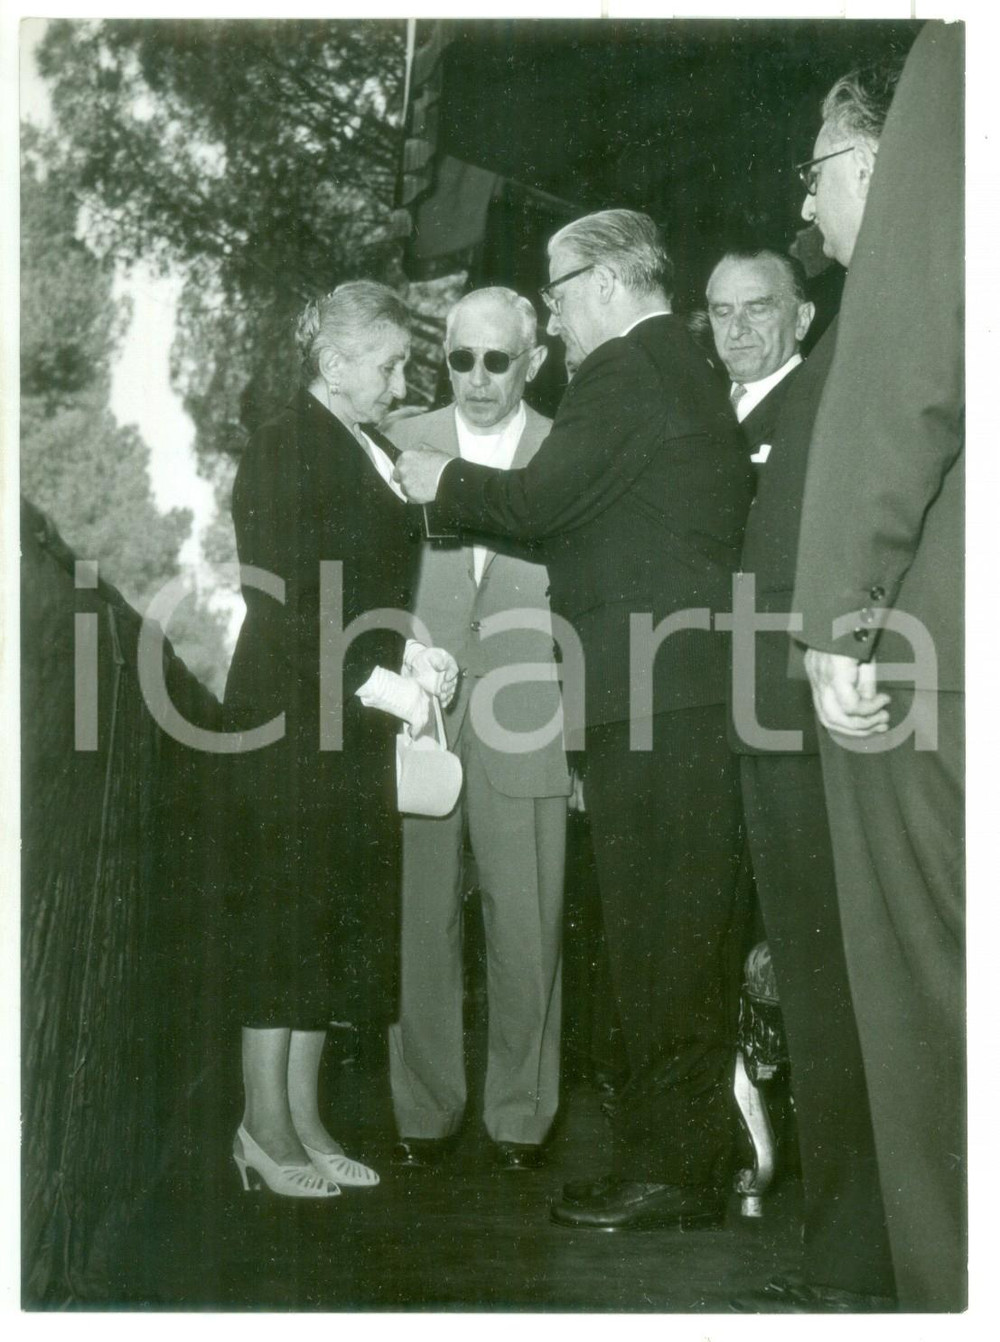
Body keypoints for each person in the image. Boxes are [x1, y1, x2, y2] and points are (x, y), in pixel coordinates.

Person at [396, 209, 756, 1230]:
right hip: (679, 695)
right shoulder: (676, 370)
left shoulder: (624, 372)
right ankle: (689, 1156)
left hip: (655, 699)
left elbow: (543, 503)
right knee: (674, 940)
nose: (555, 310)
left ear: (602, 281)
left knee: (657, 946)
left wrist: (443, 483)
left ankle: (671, 1173)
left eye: (556, 291)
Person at [792, 23, 965, 1311]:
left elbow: (913, 345)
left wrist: (839, 619)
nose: (811, 203)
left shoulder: (960, 60)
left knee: (942, 1042)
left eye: (820, 171)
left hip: (943, 649)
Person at [223, 281, 457, 1197]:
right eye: (390, 364)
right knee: (282, 920)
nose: (403, 383)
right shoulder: (286, 444)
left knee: (326, 918)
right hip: (288, 720)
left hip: (347, 722)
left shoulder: (366, 445)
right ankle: (261, 1130)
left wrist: (416, 653)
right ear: (334, 363)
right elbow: (281, 598)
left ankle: (308, 1122)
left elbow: (370, 590)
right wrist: (377, 675)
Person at [723, 232, 899, 1312]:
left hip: (816, 712)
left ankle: (856, 1257)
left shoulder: (862, 340)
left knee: (836, 992)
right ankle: (851, 1244)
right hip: (780, 710)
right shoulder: (855, 333)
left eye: (819, 169)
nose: (806, 198)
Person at [386, 287, 570, 1172]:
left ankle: (521, 1120)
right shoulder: (404, 444)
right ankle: (422, 1112)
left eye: (499, 360)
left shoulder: (566, 451)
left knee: (526, 923)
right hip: (420, 717)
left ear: (534, 362)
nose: (479, 377)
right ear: (443, 360)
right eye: (462, 359)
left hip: (532, 716)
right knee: (418, 920)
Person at [705, 249, 814, 465]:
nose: (736, 331)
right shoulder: (697, 400)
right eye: (723, 313)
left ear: (802, 320)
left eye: (756, 309)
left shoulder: (818, 410)